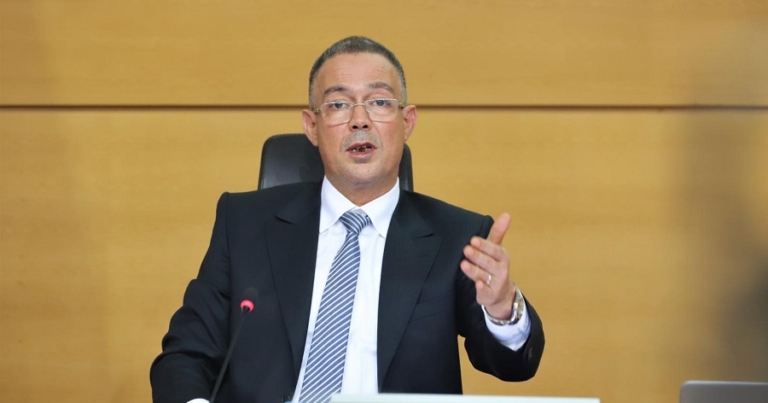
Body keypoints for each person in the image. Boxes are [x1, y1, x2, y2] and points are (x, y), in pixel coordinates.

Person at [150, 36, 545, 403]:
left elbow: (514, 367)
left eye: (379, 102)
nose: (359, 120)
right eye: (339, 104)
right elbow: (185, 356)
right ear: (312, 126)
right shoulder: (244, 225)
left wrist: (503, 310)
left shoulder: (458, 236)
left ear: (407, 122)